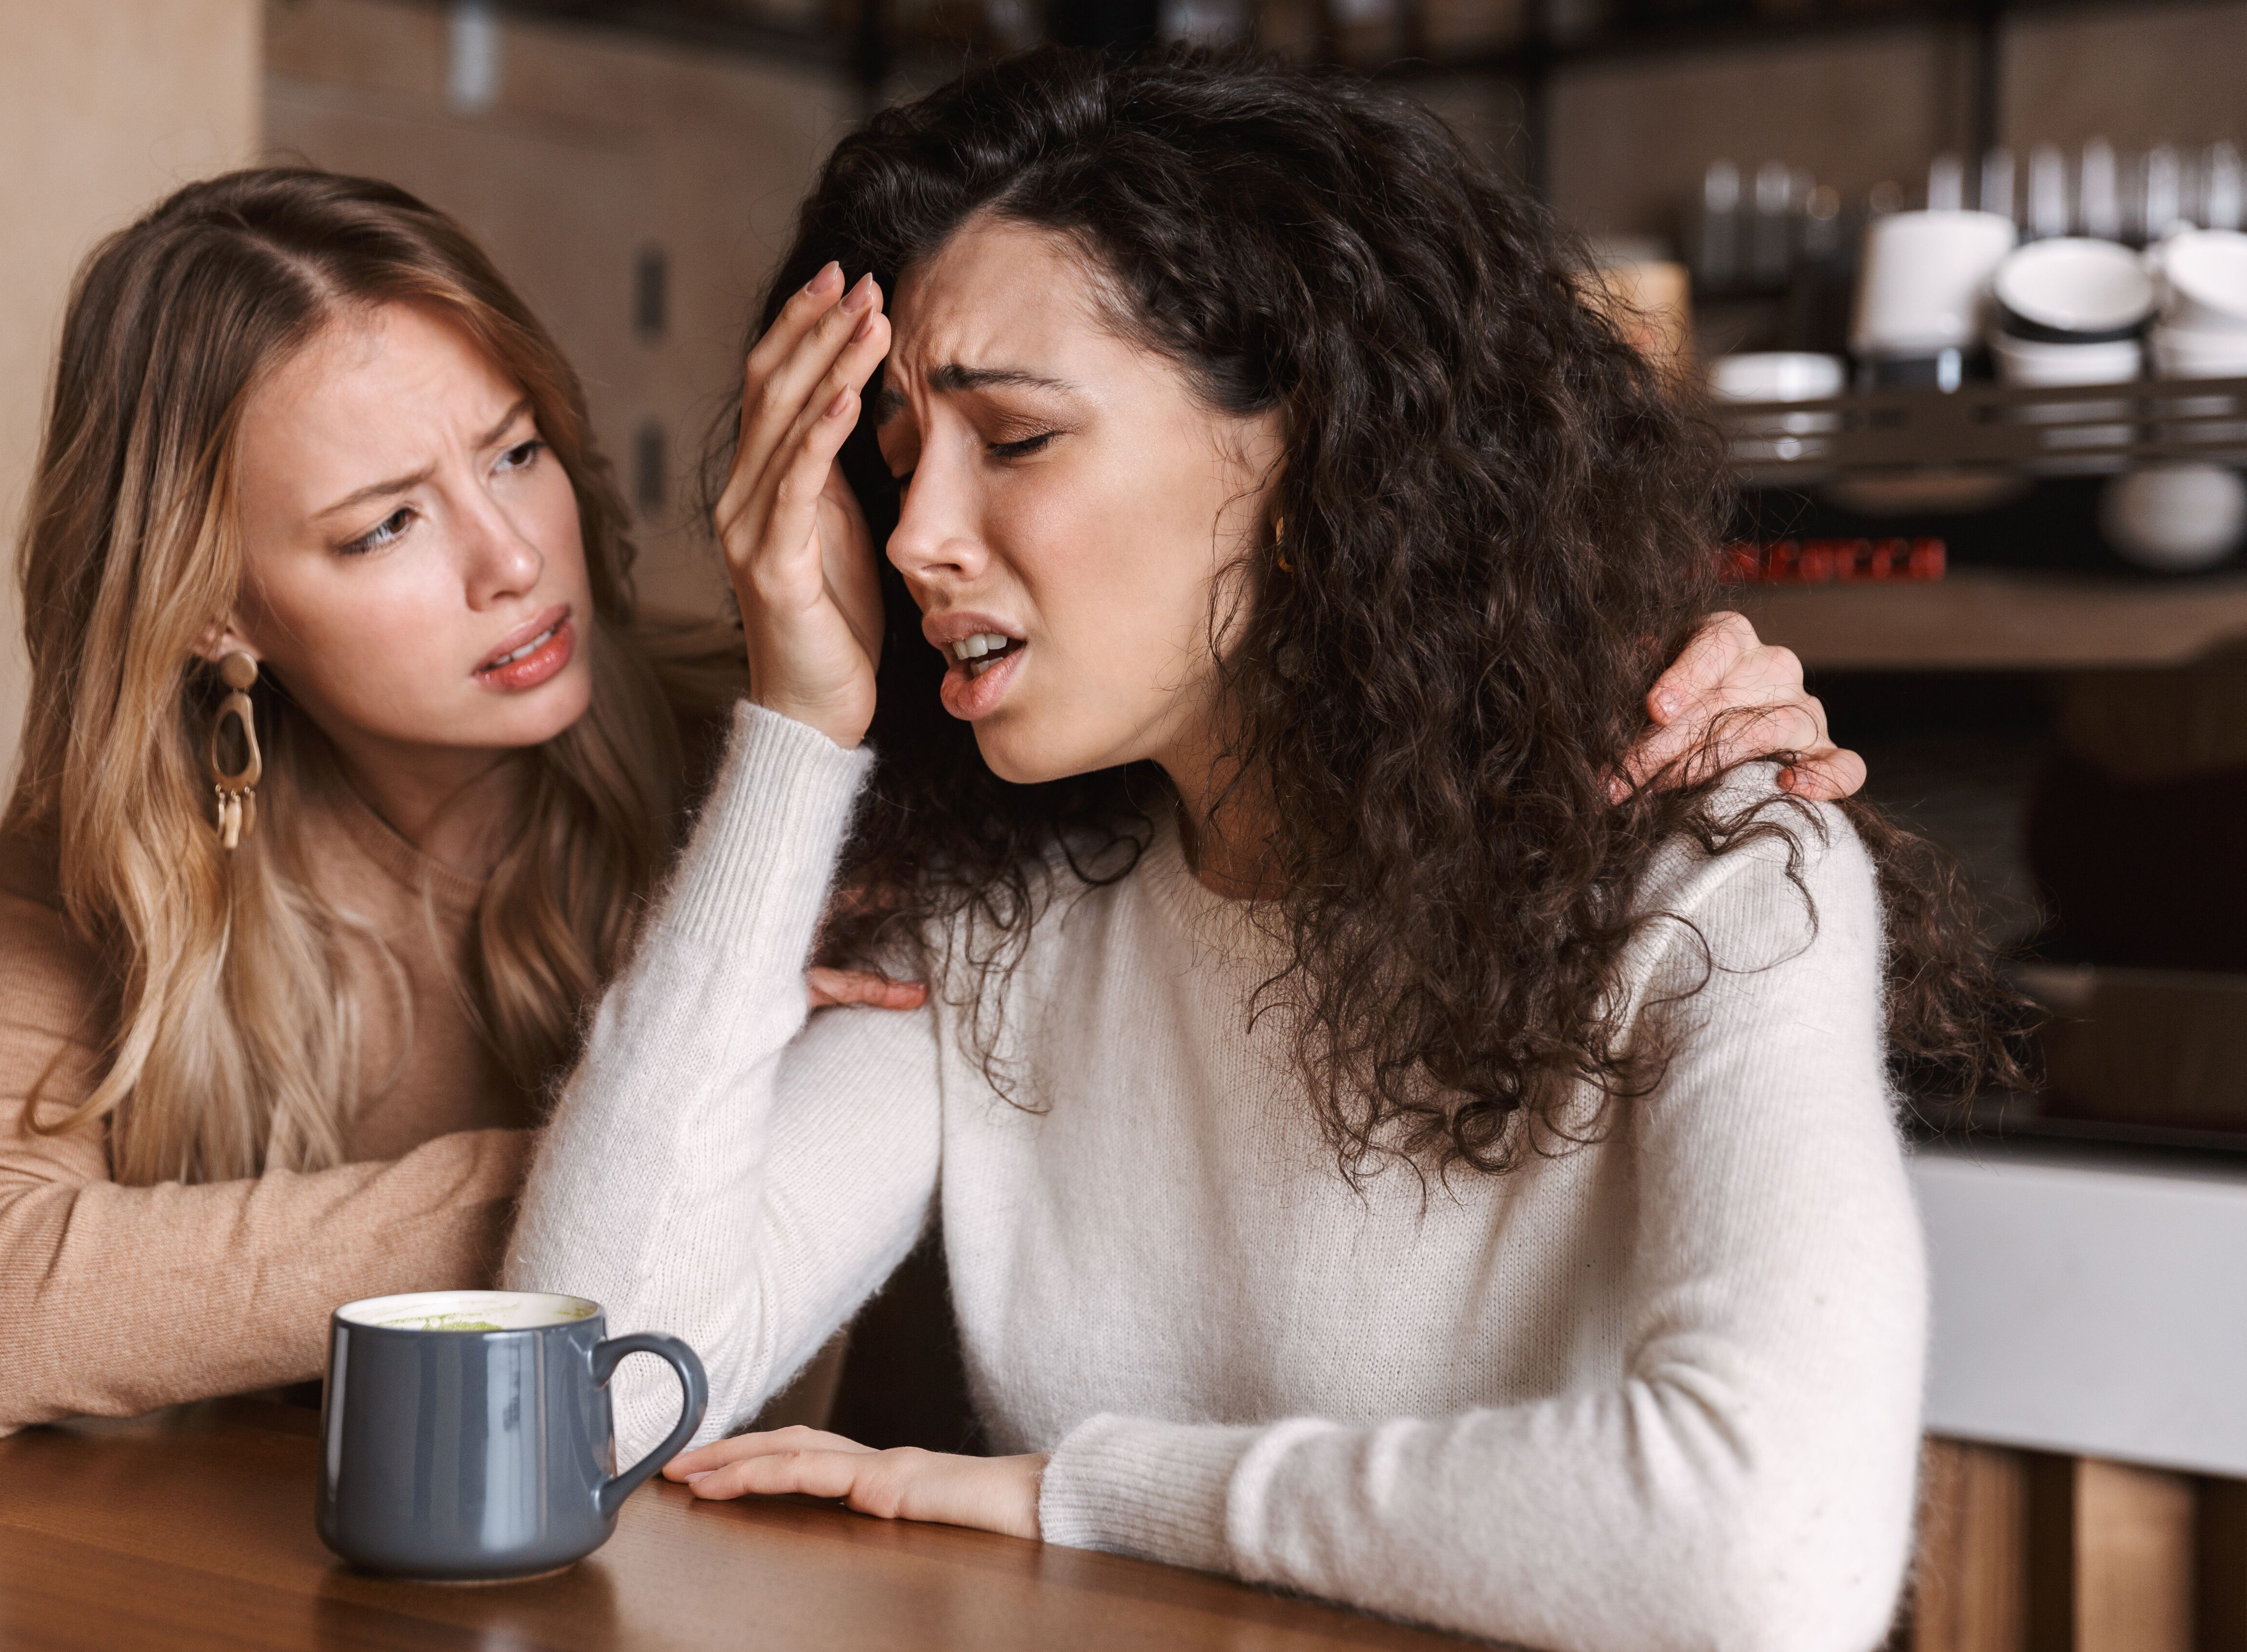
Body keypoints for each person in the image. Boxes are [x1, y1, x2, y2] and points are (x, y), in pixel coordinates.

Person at [0, 166, 1853, 1436]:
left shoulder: (788, 760)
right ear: (215, 613)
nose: (511, 562)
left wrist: (1646, 677)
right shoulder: (123, 837)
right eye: (390, 524)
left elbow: (1247, 687)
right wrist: (566, 1177)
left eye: (519, 453)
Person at [503, 52, 2015, 1652]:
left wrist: (1086, 1494)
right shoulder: (1002, 929)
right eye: (891, 456)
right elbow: (579, 1405)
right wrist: (800, 722)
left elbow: (1765, 1563)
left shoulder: (1713, 876)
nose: (913, 535)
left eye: (1011, 440)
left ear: (1308, 464)